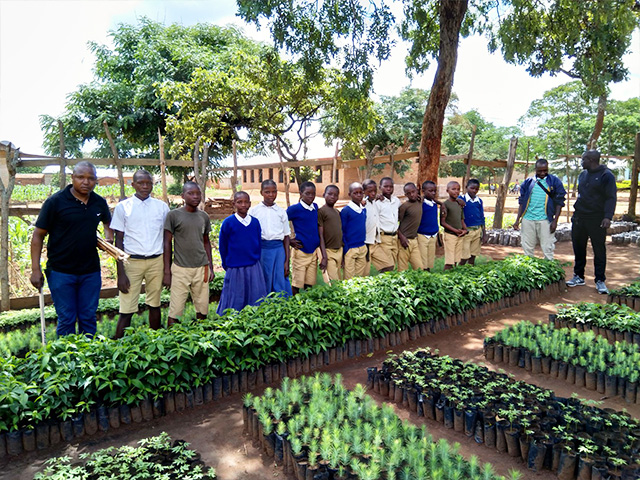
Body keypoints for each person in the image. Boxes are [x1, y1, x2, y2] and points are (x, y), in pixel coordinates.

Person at [30, 161, 112, 337]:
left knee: (88, 317)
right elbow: (38, 235)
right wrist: (35, 270)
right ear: (72, 178)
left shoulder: (99, 202)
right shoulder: (55, 202)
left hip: (90, 272)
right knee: (67, 318)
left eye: (91, 178)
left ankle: (88, 358)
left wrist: (108, 237)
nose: (86, 182)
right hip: (61, 272)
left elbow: (107, 222)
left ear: (96, 181)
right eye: (81, 177)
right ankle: (66, 361)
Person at [110, 169, 169, 338]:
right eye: (141, 183)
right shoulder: (123, 207)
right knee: (126, 309)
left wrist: (167, 269)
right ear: (133, 184)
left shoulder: (162, 207)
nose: (145, 186)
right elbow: (118, 241)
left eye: (148, 183)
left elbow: (166, 238)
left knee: (155, 304)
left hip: (156, 261)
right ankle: (118, 346)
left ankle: (156, 342)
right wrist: (121, 273)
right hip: (131, 262)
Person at [566, 150, 617, 294]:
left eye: (583, 160)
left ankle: (600, 280)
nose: (581, 162)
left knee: (598, 249)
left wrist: (608, 216)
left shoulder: (606, 176)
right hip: (580, 217)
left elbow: (610, 197)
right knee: (578, 247)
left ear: (591, 160)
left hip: (597, 218)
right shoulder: (583, 175)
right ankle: (578, 276)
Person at [163, 182, 214, 324]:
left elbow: (206, 242)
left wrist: (210, 266)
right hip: (180, 268)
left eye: (198, 193)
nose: (195, 196)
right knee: (176, 310)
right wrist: (167, 271)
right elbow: (167, 243)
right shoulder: (173, 215)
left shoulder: (203, 216)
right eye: (191, 193)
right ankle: (173, 340)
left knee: (203, 308)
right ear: (183, 196)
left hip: (201, 268)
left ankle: (201, 337)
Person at [217, 191, 268, 313]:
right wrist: (226, 264)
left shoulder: (255, 222)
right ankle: (231, 322)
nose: (243, 205)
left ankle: (255, 320)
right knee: (235, 296)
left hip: (253, 265)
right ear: (234, 204)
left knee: (255, 296)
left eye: (246, 202)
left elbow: (258, 242)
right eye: (239, 202)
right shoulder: (228, 222)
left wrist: (256, 258)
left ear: (250, 204)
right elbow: (223, 246)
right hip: (235, 267)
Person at [512, 159, 566, 261]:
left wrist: (555, 221)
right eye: (540, 171)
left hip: (545, 219)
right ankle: (529, 269)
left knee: (547, 247)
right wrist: (517, 220)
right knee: (527, 247)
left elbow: (560, 202)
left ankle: (549, 269)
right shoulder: (528, 183)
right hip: (528, 219)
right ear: (535, 170)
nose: (542, 173)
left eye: (545, 170)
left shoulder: (554, 182)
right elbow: (522, 202)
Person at [248, 180, 292, 296]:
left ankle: (281, 306)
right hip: (261, 250)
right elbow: (250, 236)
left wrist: (287, 261)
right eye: (267, 192)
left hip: (278, 250)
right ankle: (263, 305)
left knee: (279, 278)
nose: (271, 195)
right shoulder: (254, 212)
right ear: (261, 192)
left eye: (274, 192)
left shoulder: (281, 212)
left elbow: (286, 237)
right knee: (263, 277)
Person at [287, 182, 320, 294]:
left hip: (313, 252)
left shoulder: (315, 207)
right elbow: (280, 221)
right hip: (300, 251)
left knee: (309, 282)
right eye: (307, 193)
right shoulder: (294, 209)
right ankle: (295, 305)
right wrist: (289, 240)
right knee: (297, 283)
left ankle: (308, 304)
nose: (311, 196)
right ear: (301, 193)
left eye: (313, 193)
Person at [363, 179, 394, 273]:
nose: (373, 193)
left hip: (375, 242)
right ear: (364, 191)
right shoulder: (362, 204)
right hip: (365, 244)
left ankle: (382, 284)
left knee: (388, 265)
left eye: (374, 191)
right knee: (364, 273)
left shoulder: (375, 202)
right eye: (370, 191)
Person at [340, 182, 368, 279]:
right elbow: (342, 231)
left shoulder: (363, 210)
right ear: (349, 194)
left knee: (359, 277)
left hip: (362, 246)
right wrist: (346, 249)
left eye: (361, 193)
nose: (359, 195)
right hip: (350, 248)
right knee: (349, 278)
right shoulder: (346, 211)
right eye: (355, 193)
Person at [318, 185, 343, 282]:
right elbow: (320, 235)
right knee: (333, 281)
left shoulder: (337, 212)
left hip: (339, 250)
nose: (333, 197)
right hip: (328, 251)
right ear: (324, 195)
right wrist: (324, 256)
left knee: (339, 278)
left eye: (335, 195)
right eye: (330, 194)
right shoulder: (321, 212)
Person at [441, 181, 468, 270]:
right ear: (447, 190)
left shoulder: (459, 204)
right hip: (450, 235)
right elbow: (443, 222)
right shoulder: (445, 204)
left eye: (458, 189)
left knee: (456, 258)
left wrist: (465, 230)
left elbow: (461, 219)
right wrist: (455, 231)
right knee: (449, 260)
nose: (456, 191)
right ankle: (446, 276)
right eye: (453, 189)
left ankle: (454, 275)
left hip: (460, 235)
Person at [397, 183, 424, 271]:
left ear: (417, 191)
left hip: (414, 240)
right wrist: (401, 237)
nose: (412, 194)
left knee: (420, 268)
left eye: (413, 192)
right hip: (404, 240)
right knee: (402, 270)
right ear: (405, 195)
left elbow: (431, 198)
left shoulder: (420, 201)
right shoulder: (404, 206)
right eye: (409, 193)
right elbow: (394, 224)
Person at [376, 177, 401, 268]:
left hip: (395, 237)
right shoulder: (378, 202)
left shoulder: (396, 201)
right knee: (387, 265)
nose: (388, 188)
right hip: (384, 237)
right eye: (385, 186)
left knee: (393, 263)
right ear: (380, 187)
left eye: (391, 186)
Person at [460, 179, 486, 265]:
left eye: (476, 189)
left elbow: (482, 217)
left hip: (477, 230)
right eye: (472, 188)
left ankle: (470, 271)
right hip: (467, 231)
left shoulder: (479, 201)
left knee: (473, 254)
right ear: (466, 187)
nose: (474, 191)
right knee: (464, 255)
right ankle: (459, 271)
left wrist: (484, 232)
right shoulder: (461, 199)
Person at [417, 181, 441, 271]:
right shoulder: (421, 204)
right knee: (423, 257)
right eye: (430, 191)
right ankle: (424, 273)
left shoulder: (434, 204)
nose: (433, 193)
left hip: (433, 234)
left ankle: (429, 272)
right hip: (422, 234)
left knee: (430, 256)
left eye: (435, 191)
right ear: (423, 191)